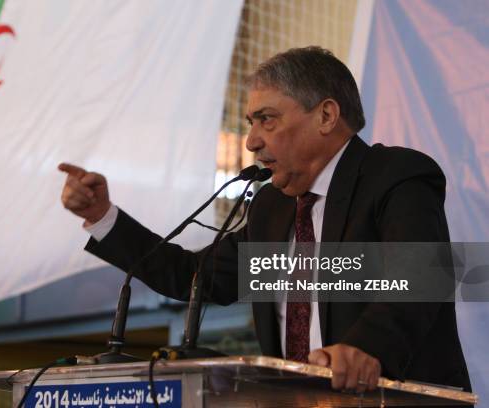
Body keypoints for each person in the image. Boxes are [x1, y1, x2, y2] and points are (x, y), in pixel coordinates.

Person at [59, 46, 470, 393]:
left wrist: (364, 349)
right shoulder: (270, 207)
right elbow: (193, 277)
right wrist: (101, 217)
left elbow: (419, 278)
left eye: (267, 119)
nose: (252, 140)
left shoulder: (394, 174)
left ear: (326, 115)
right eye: (251, 123)